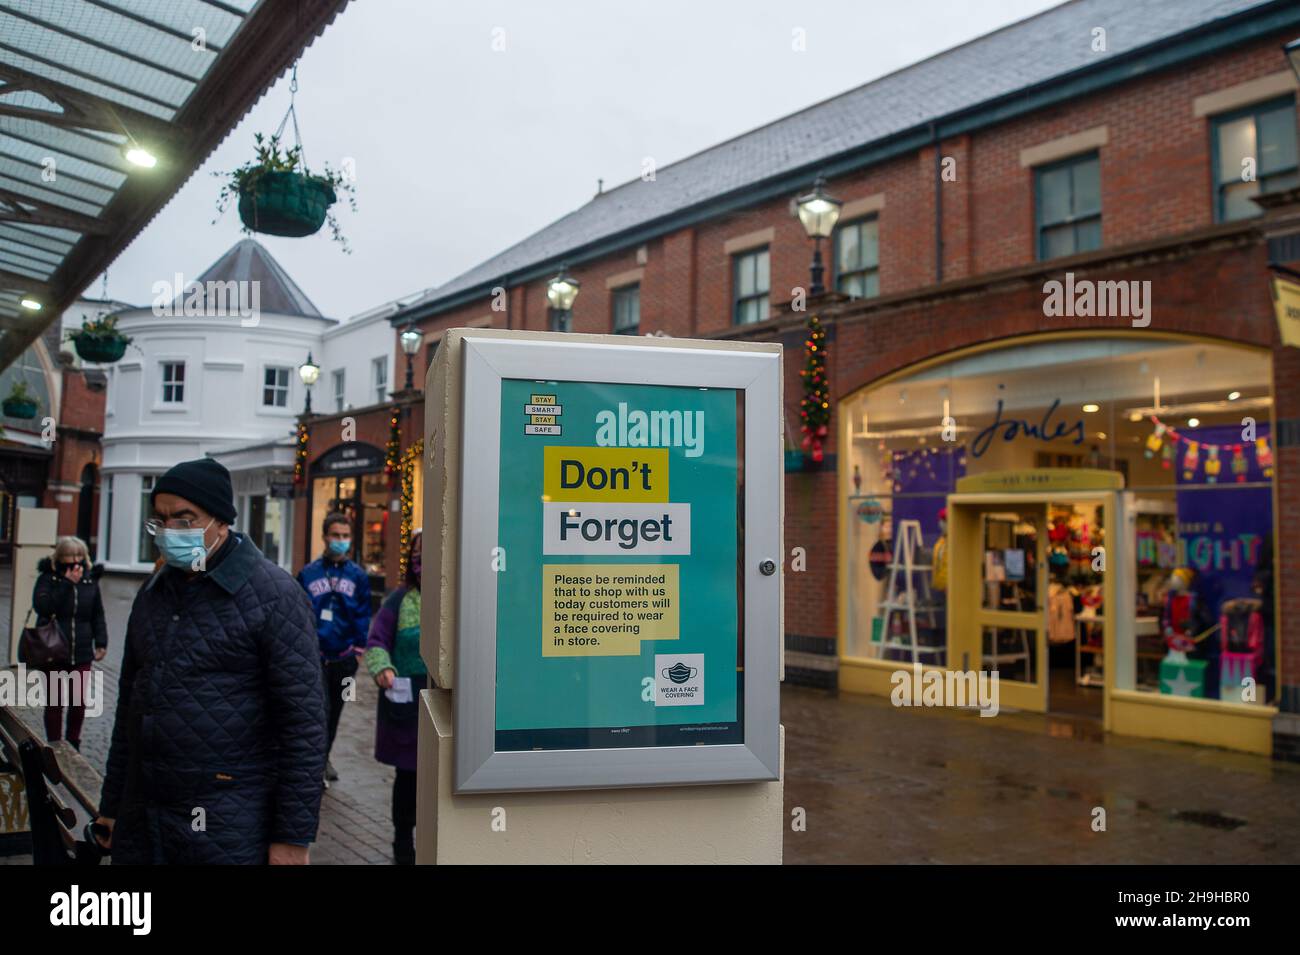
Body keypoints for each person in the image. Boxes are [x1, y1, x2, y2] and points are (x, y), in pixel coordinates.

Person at [93, 458, 326, 864]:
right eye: (161, 520)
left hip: (228, 825)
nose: (171, 532)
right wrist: (112, 805)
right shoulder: (153, 592)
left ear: (221, 522)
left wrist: (292, 836)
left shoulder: (275, 596)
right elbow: (130, 708)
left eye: (185, 519)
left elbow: (303, 727)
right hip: (143, 819)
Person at [363, 529, 426, 865]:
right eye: (419, 553)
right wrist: (382, 668)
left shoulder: (459, 594)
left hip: (446, 700)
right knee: (408, 776)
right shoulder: (398, 600)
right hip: (408, 702)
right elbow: (376, 642)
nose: (424, 560)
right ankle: (403, 842)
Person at [297, 512, 372, 785]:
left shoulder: (359, 577)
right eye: (336, 535)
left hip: (344, 658)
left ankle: (324, 756)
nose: (341, 541)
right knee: (318, 711)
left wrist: (358, 650)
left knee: (336, 711)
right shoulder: (308, 574)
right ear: (324, 537)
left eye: (345, 536)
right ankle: (314, 762)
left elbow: (364, 614)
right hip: (315, 656)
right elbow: (300, 614)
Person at [31, 536, 108, 751]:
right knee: (55, 701)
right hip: (53, 649)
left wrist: (101, 642)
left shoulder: (90, 580)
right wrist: (67, 584)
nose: (74, 561)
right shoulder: (48, 578)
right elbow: (43, 607)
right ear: (59, 557)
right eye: (69, 556)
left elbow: (97, 614)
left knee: (78, 700)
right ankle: (55, 744)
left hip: (82, 650)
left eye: (78, 556)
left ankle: (73, 742)